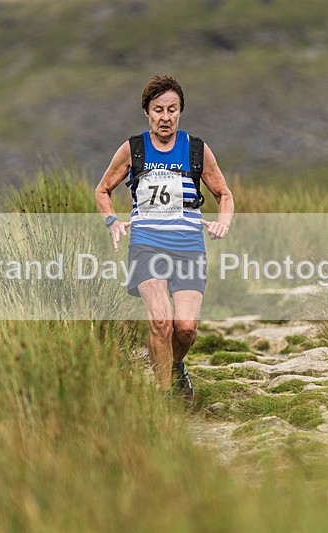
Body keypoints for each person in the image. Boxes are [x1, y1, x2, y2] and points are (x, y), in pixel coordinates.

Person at [95, 74, 234, 402]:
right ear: (147, 111)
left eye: (172, 109)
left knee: (184, 328)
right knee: (160, 321)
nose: (165, 117)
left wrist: (223, 223)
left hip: (188, 247)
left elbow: (223, 193)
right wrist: (112, 221)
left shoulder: (196, 149)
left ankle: (175, 367)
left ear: (180, 112)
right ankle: (164, 398)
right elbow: (103, 190)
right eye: (158, 110)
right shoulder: (135, 148)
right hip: (147, 245)